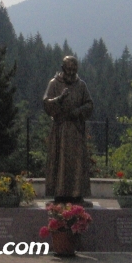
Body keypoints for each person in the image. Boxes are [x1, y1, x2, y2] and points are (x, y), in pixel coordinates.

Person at [43, 56, 93, 204]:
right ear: (63, 68)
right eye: (68, 69)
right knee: (60, 160)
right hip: (60, 130)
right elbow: (46, 103)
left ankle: (77, 194)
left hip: (76, 130)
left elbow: (90, 104)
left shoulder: (81, 85)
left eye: (74, 69)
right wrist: (59, 99)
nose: (71, 72)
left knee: (77, 162)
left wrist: (78, 111)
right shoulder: (54, 83)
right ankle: (59, 194)